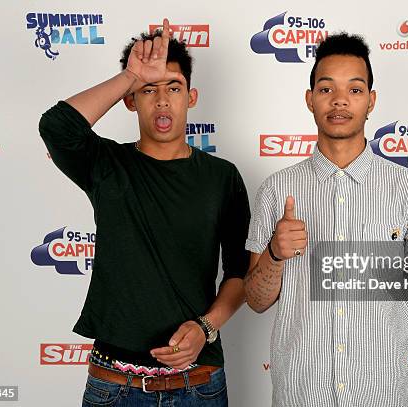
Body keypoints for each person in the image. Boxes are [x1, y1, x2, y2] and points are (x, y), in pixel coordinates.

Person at [38, 19, 250, 406]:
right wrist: (131, 75)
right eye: (148, 90)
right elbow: (56, 126)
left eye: (174, 87)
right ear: (131, 100)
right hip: (113, 385)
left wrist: (206, 328)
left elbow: (240, 273)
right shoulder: (105, 164)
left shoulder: (222, 177)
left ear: (192, 96)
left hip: (198, 385)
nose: (163, 99)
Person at [244, 33, 408, 406]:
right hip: (300, 394)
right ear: (310, 100)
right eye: (326, 89)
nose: (339, 100)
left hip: (381, 394)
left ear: (371, 101)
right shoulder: (277, 190)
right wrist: (274, 253)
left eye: (355, 90)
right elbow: (256, 300)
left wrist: (372, 303)